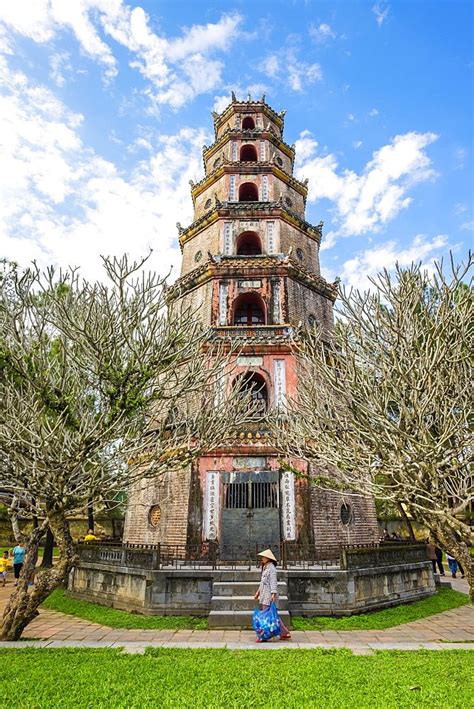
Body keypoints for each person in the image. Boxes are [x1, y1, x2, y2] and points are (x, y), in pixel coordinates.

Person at [254, 548, 291, 643]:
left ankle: (263, 635)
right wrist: (258, 592)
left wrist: (273, 594)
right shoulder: (265, 568)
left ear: (268, 558)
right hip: (264, 593)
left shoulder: (272, 569)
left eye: (263, 557)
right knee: (272, 615)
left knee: (266, 616)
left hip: (269, 594)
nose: (262, 558)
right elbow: (262, 582)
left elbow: (273, 582)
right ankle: (284, 632)